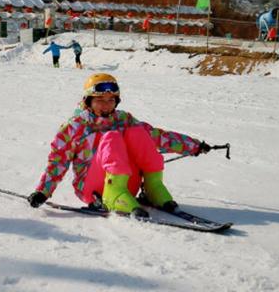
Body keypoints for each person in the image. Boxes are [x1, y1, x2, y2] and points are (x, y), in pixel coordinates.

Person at [28, 73, 211, 217]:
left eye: (111, 100)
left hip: (127, 186)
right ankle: (112, 194)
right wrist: (43, 192)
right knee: (112, 137)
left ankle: (154, 188)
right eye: (100, 100)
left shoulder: (123, 119)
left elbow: (156, 137)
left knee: (139, 132)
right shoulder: (74, 127)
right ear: (88, 101)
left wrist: (194, 146)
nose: (106, 105)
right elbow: (58, 162)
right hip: (92, 189)